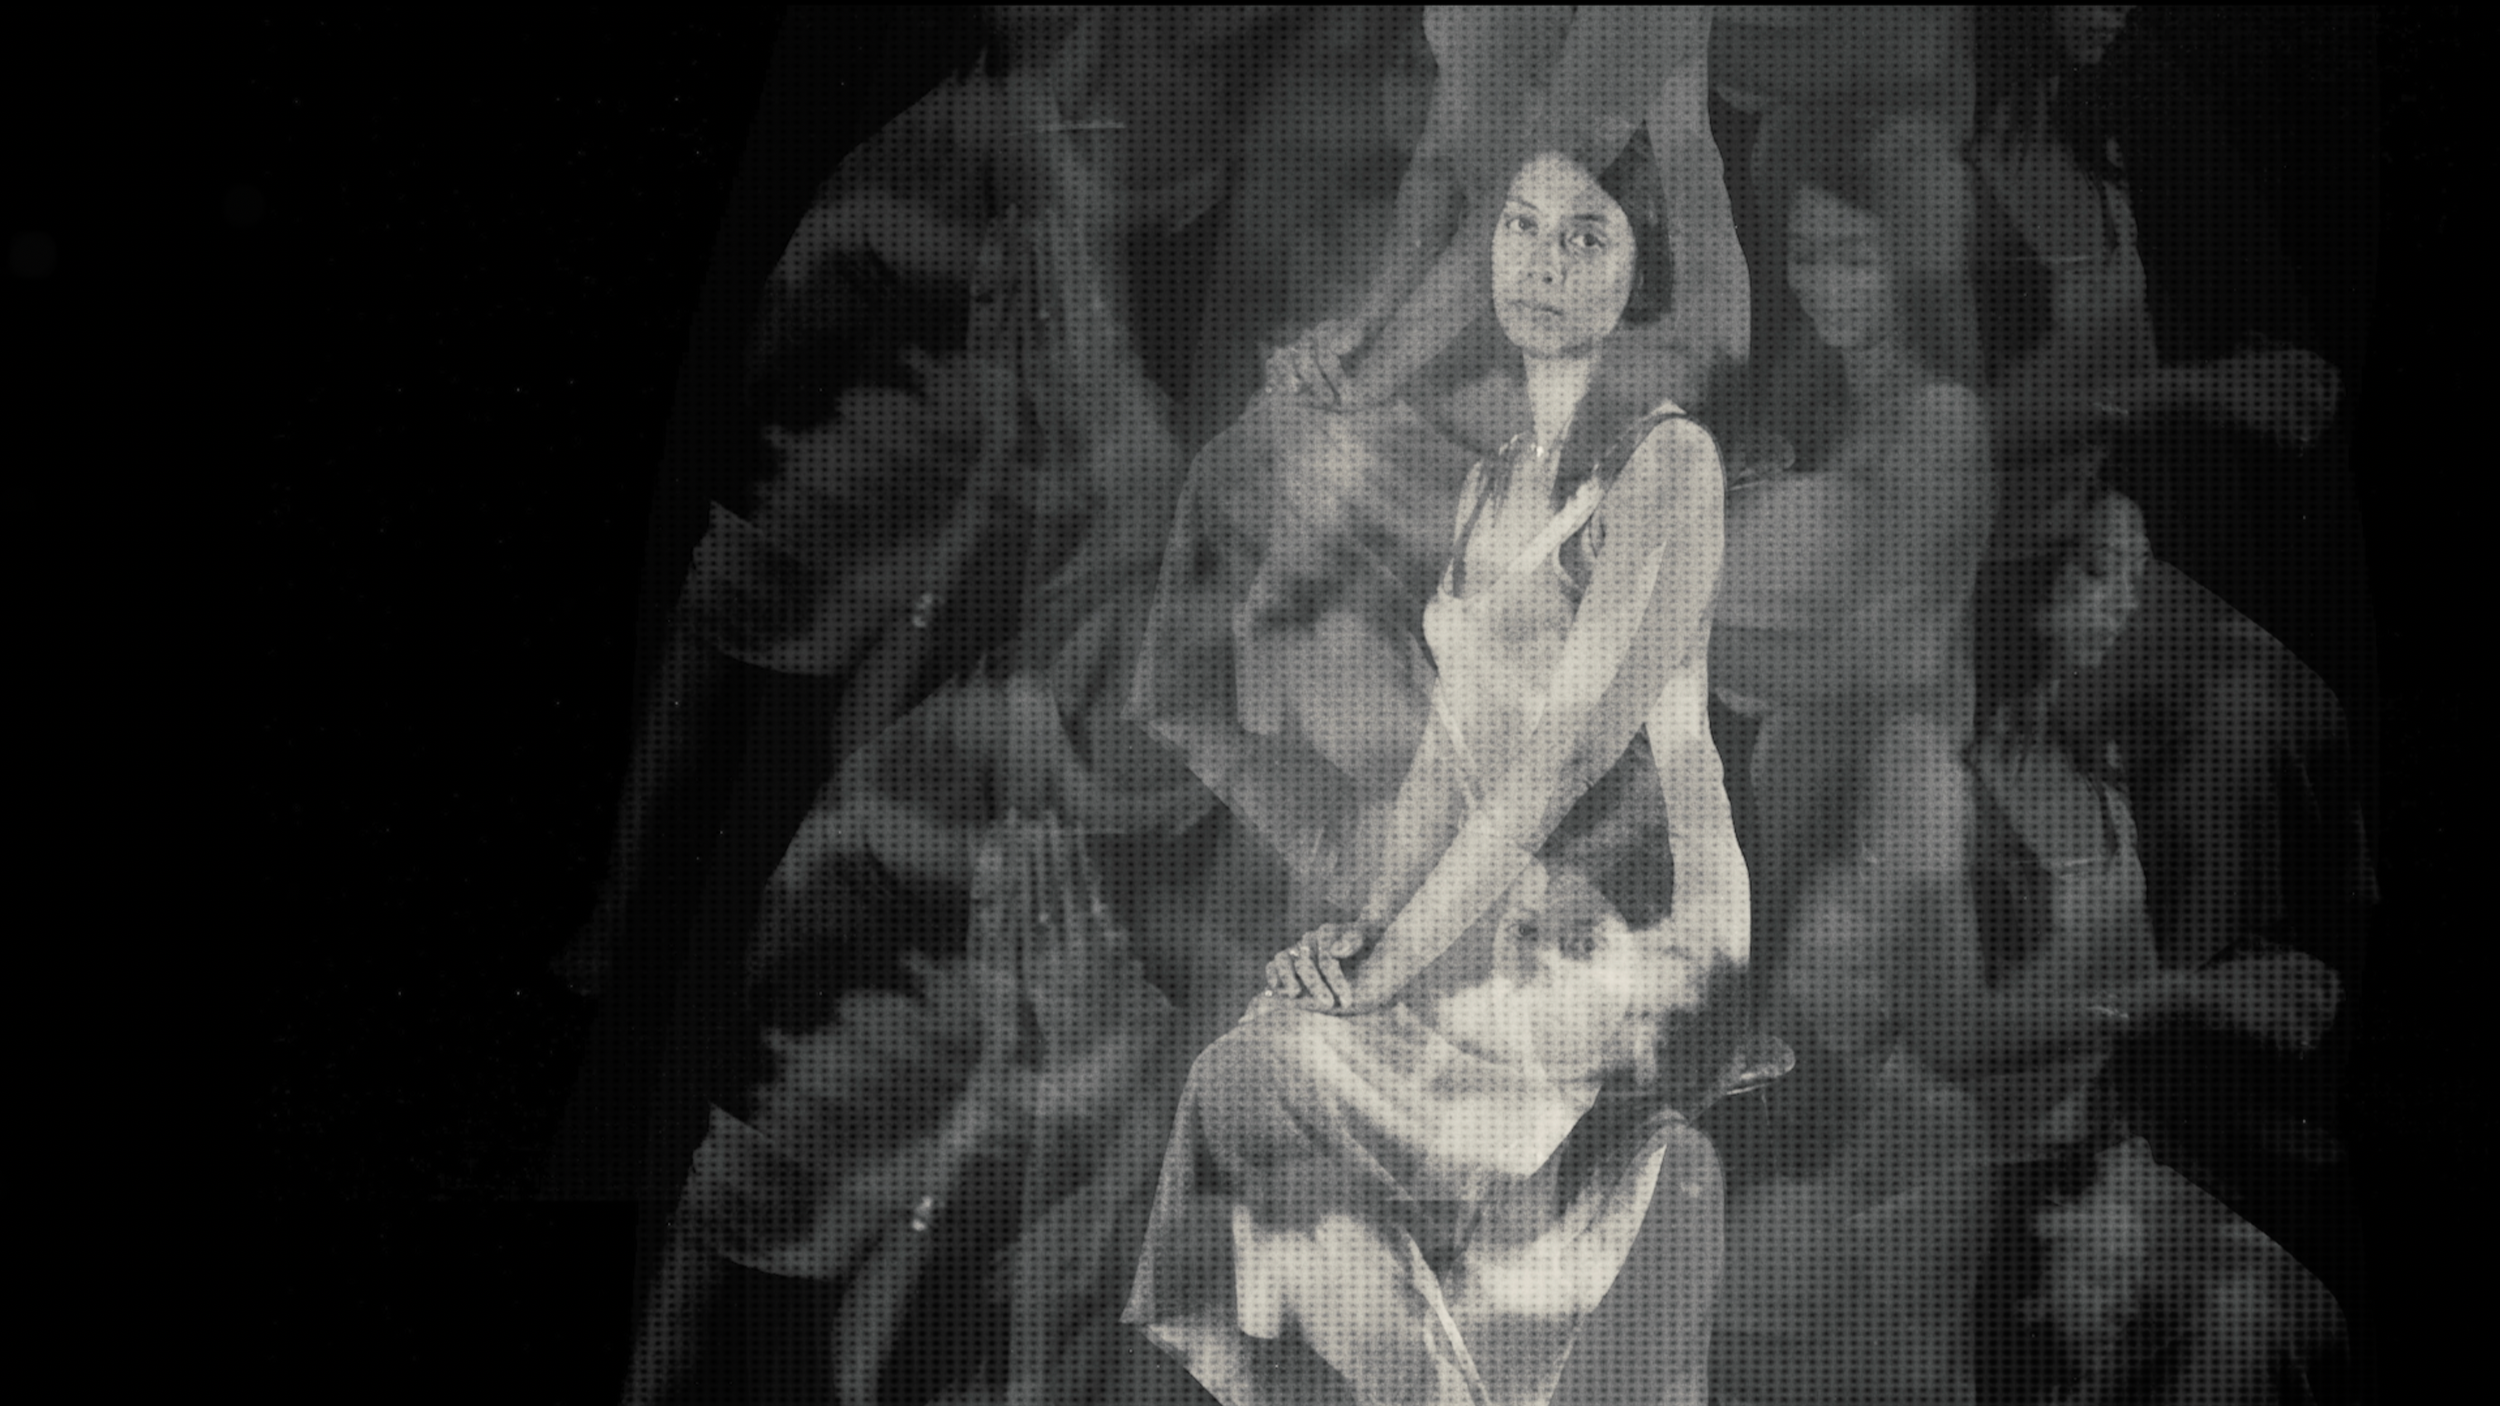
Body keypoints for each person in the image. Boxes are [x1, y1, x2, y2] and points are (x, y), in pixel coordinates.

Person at [1124, 140, 1754, 1406]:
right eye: (1520, 224)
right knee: (1244, 1070)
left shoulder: (1667, 462)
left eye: (1585, 237)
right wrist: (1363, 930)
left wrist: (1390, 971)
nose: (1542, 262)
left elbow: (1561, 763)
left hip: (1639, 934)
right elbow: (1444, 763)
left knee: (1274, 1080)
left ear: (1640, 274)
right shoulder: (1491, 481)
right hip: (1507, 911)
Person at [1926, 490, 2351, 1406]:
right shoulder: (1942, 788)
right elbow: (1959, 1038)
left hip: (2102, 1149)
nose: (2124, 597)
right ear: (2025, 584)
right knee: (2246, 1327)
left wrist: (2224, 1007)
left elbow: (2131, 1012)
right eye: (2098, 570)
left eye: (2136, 571)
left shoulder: (2105, 778)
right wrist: (2191, 996)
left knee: (2300, 1313)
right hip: (1985, 1171)